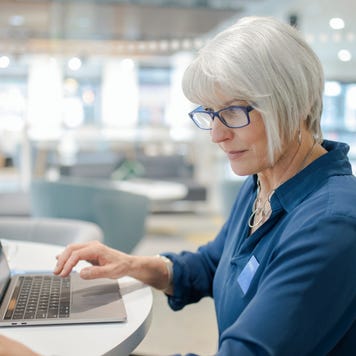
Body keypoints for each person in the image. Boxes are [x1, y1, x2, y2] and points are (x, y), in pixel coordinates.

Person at [1, 16, 355, 356]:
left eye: (233, 112)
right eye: (211, 113)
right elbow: (213, 264)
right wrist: (133, 265)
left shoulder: (331, 224)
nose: (217, 134)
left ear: (296, 104)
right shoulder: (264, 179)